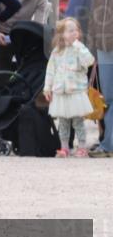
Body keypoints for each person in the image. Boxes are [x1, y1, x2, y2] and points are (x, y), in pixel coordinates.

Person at [45, 18, 96, 157]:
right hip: (61, 92)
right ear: (62, 34)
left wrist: (78, 46)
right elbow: (50, 70)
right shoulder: (57, 51)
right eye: (70, 30)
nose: (74, 32)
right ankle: (64, 147)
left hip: (76, 91)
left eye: (76, 30)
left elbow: (90, 61)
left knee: (78, 121)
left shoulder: (80, 48)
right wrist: (47, 88)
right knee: (63, 123)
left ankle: (82, 147)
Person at [0, 0, 50, 69]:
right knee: (0, 66)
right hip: (1, 31)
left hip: (24, 33)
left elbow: (39, 23)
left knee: (28, 66)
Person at [87, 0, 113, 156]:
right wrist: (91, 50)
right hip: (104, 48)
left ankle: (108, 144)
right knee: (108, 98)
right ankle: (108, 143)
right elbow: (93, 19)